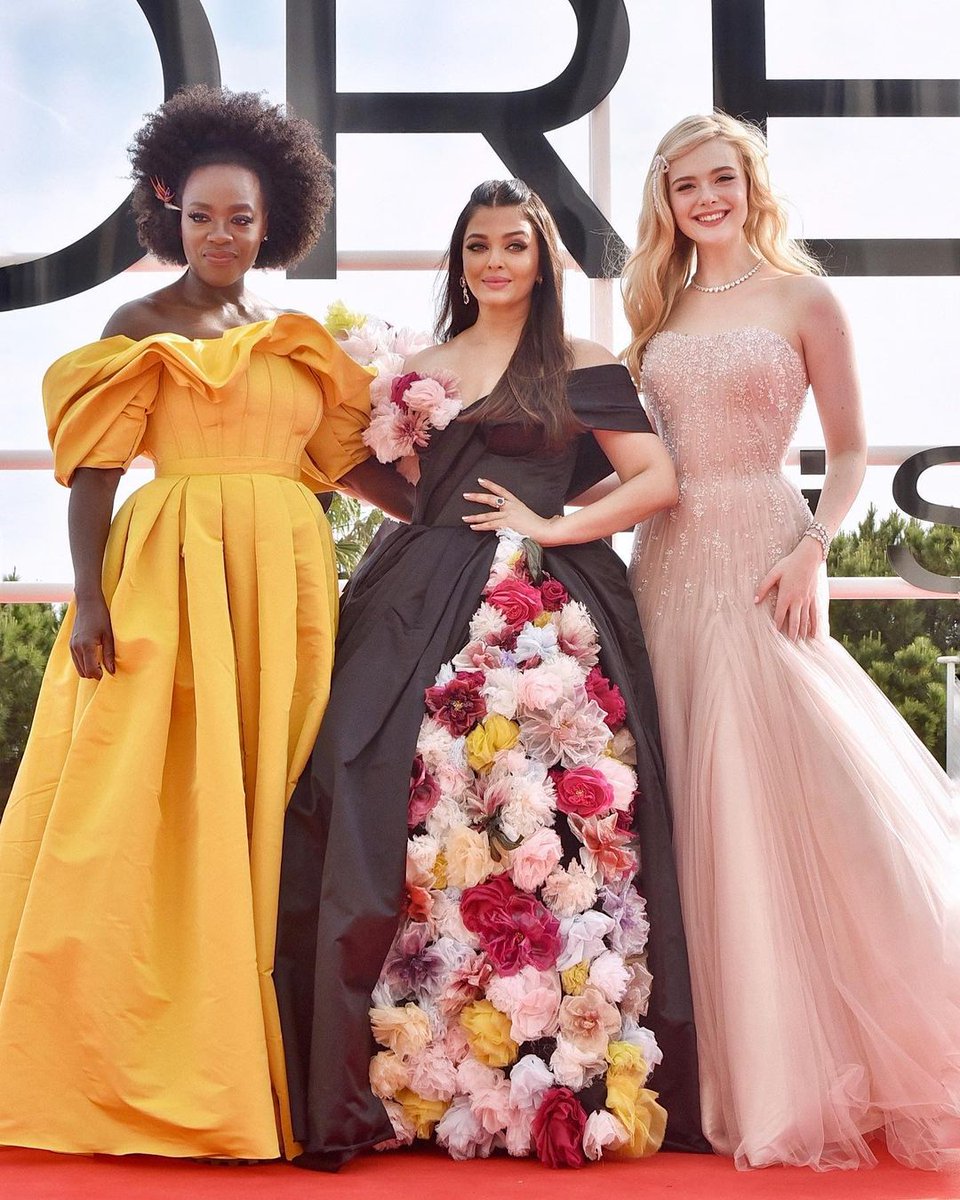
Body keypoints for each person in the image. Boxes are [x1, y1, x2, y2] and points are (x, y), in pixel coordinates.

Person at [0, 85, 410, 1160]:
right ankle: (132, 1059)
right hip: (169, 578)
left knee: (270, 796)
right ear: (166, 209)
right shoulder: (136, 328)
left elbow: (349, 463)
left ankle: (266, 1052)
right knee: (149, 799)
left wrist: (464, 503)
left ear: (272, 219)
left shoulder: (293, 340)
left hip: (284, 584)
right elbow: (92, 476)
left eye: (241, 217)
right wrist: (87, 595)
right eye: (201, 216)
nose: (222, 234)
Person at [275, 178, 709, 1170]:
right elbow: (373, 474)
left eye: (516, 244)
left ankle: (558, 1066)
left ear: (543, 258)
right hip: (410, 598)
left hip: (547, 609)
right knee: (394, 804)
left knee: (556, 828)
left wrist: (551, 527)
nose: (497, 262)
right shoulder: (418, 366)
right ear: (460, 260)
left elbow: (656, 477)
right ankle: (415, 1070)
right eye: (479, 246)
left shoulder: (582, 362)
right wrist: (362, 470)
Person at [622, 111, 960, 1171]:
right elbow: (640, 459)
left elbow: (851, 448)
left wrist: (815, 544)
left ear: (751, 184)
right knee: (685, 799)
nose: (706, 199)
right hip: (665, 564)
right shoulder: (655, 311)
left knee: (784, 793)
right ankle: (698, 1068)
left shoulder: (807, 298)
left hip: (768, 552)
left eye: (722, 179)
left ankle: (790, 1073)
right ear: (667, 203)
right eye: (686, 187)